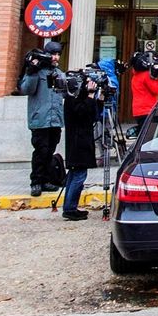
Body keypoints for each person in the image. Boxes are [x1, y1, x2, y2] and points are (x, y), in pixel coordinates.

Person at [19, 41, 65, 196]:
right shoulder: (37, 72)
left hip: (55, 119)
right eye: (53, 54)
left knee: (50, 150)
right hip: (40, 119)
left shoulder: (59, 73)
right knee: (41, 150)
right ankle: (36, 181)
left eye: (58, 54)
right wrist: (31, 72)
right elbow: (26, 89)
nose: (56, 57)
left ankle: (46, 180)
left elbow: (64, 93)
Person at [61, 70, 101, 221]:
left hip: (80, 142)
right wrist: (90, 95)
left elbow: (93, 116)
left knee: (74, 175)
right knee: (78, 175)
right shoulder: (72, 100)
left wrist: (98, 97)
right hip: (78, 144)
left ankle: (70, 206)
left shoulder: (76, 98)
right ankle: (70, 208)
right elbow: (83, 112)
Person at [129, 51, 158, 131]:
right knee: (149, 137)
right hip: (147, 110)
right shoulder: (145, 75)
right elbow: (156, 90)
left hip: (138, 110)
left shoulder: (135, 76)